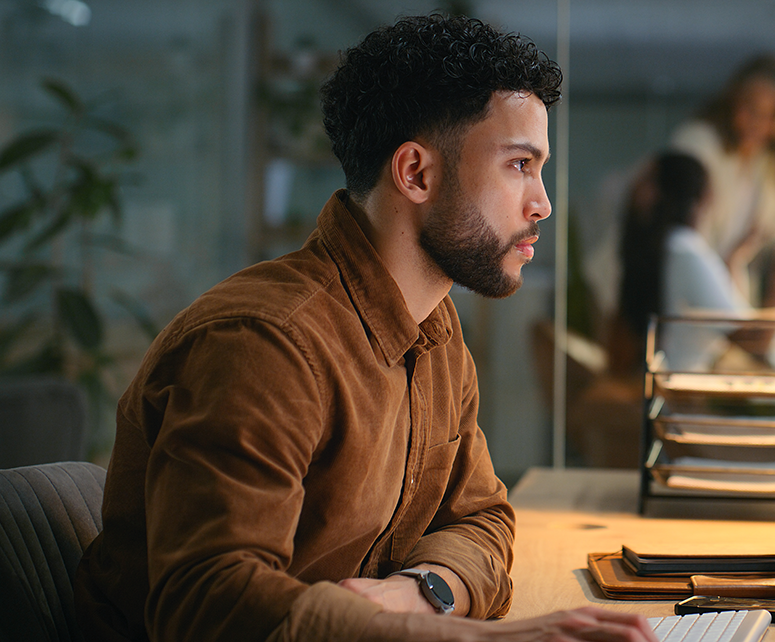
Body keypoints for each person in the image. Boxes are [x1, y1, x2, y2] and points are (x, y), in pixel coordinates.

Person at [73, 15, 655, 642]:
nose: (541, 203)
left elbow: (484, 520)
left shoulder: (432, 329)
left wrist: (420, 594)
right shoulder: (264, 344)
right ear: (416, 174)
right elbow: (208, 604)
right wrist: (469, 636)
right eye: (520, 164)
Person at [669, 53, 775, 310]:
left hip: (725, 307)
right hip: (681, 303)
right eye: (749, 107)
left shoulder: (774, 170)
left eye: (771, 114)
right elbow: (684, 250)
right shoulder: (698, 147)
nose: (756, 123)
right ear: (732, 101)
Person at [614, 151, 752, 373]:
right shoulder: (686, 250)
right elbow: (751, 339)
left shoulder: (662, 247)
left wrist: (735, 260)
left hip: (661, 386)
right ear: (704, 198)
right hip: (682, 391)